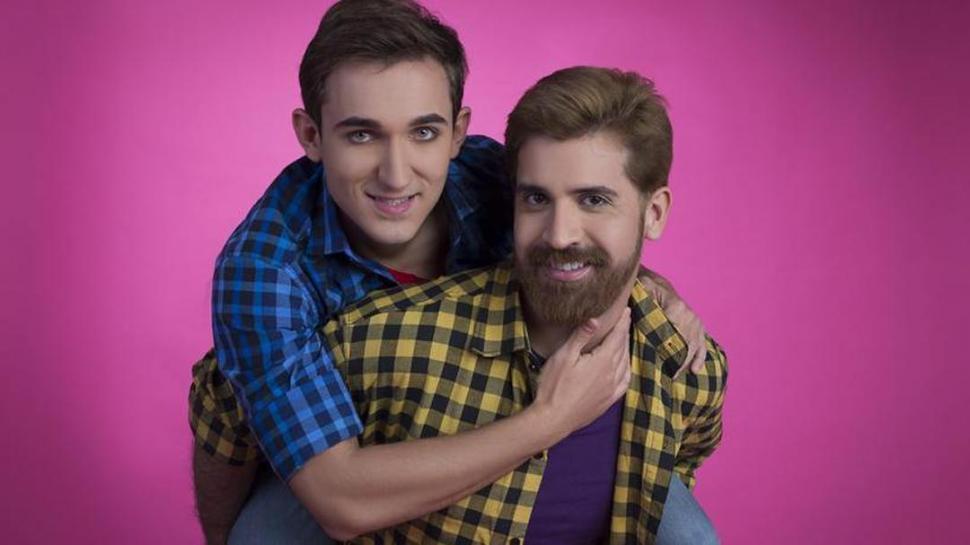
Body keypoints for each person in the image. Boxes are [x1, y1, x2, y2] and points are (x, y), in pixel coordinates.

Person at [188, 1, 709, 543]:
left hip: (469, 417)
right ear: (312, 136)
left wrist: (649, 284)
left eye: (423, 132)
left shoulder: (489, 176)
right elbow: (338, 496)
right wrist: (552, 419)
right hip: (329, 462)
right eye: (362, 135)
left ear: (458, 132)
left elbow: (577, 227)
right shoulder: (266, 269)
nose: (396, 175)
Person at [299, 65, 727, 544]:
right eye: (537, 199)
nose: (559, 235)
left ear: (654, 214)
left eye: (593, 201)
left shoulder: (688, 369)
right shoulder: (384, 341)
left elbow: (680, 467)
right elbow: (244, 429)